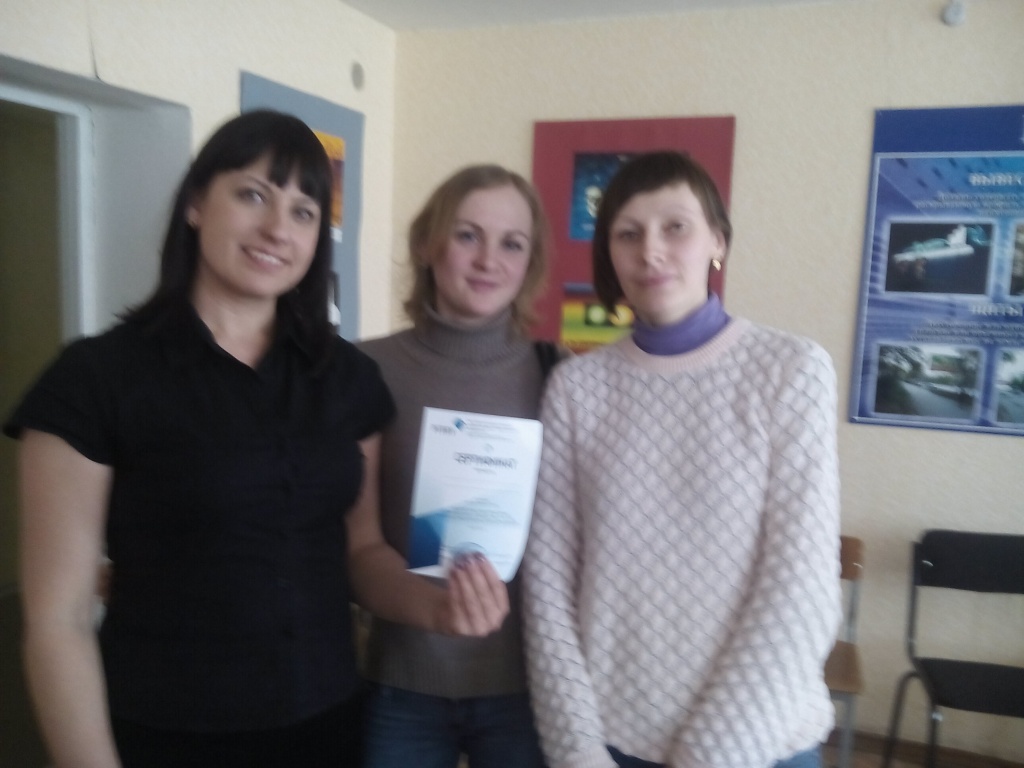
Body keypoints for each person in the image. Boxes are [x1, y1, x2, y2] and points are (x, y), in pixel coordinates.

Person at [4, 110, 506, 768]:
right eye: (252, 195)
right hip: (164, 733)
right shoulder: (96, 378)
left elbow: (359, 553)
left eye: (303, 212)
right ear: (194, 204)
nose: (277, 228)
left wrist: (437, 609)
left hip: (326, 725)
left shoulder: (347, 378)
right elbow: (58, 620)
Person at [522, 151, 841, 768]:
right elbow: (549, 587)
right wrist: (576, 747)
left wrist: (709, 754)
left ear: (717, 240)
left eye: (675, 227)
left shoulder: (790, 370)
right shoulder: (576, 389)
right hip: (610, 741)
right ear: (609, 255)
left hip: (762, 741)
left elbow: (802, 589)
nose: (651, 251)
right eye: (628, 233)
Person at [357, 164, 556, 768]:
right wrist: (437, 610)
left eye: (512, 243)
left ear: (530, 262)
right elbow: (357, 549)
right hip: (402, 686)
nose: (489, 259)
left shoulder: (560, 377)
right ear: (427, 243)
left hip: (526, 690)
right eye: (468, 235)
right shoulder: (365, 371)